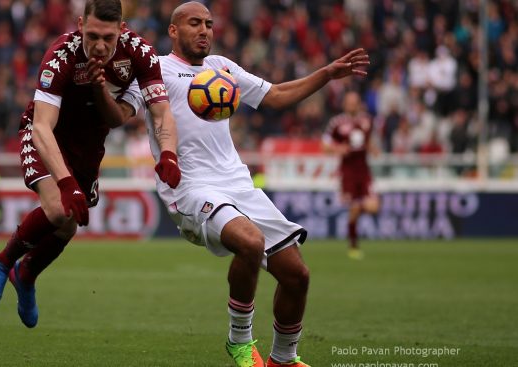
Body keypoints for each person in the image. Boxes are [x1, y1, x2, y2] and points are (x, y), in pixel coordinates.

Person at [130, 2, 369, 366]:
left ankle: (283, 359)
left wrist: (326, 74)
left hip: (238, 183)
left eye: (209, 24)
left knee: (297, 275)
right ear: (174, 31)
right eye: (194, 23)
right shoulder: (156, 70)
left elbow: (274, 96)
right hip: (191, 186)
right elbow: (121, 111)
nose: (204, 30)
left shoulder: (221, 67)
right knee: (251, 243)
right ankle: (239, 341)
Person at [0, 0, 181, 328]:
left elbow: (160, 112)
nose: (99, 46)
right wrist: (66, 182)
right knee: (59, 208)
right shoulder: (61, 55)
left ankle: (26, 275)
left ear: (122, 30)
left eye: (108, 38)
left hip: (88, 145)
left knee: (68, 224)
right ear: (80, 23)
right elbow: (42, 125)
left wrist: (169, 152)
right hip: (47, 135)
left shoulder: (140, 54)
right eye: (93, 35)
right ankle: (1, 263)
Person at [322, 91, 379, 260]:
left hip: (364, 170)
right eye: (349, 102)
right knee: (354, 207)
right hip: (347, 171)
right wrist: (338, 149)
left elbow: (367, 141)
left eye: (355, 102)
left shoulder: (367, 120)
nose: (352, 105)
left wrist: (372, 148)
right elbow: (324, 145)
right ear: (345, 104)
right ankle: (353, 246)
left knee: (373, 207)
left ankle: (354, 219)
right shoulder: (337, 123)